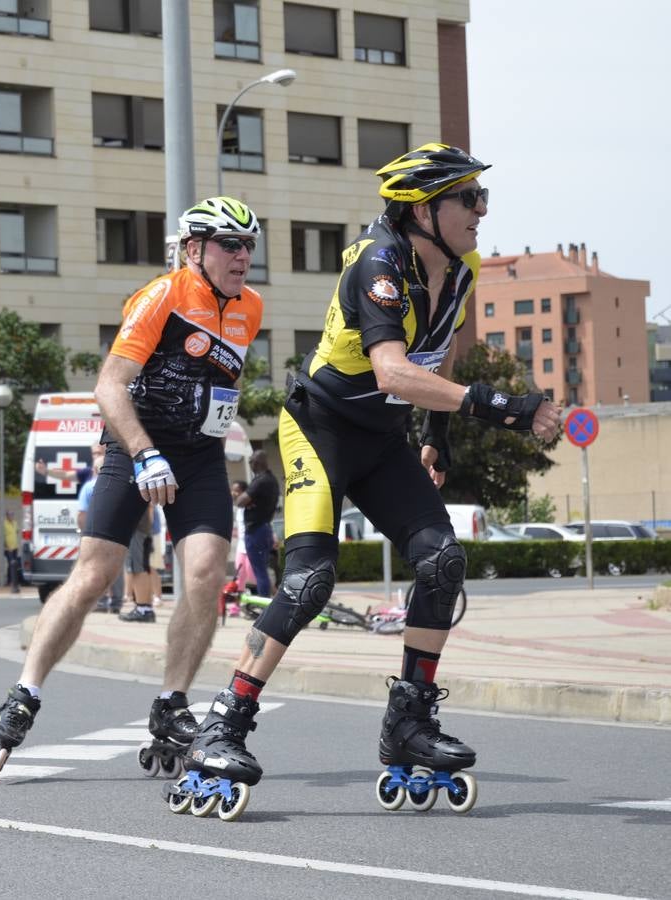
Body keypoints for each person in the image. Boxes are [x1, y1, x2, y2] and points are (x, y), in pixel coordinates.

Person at [180, 145, 562, 816]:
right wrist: (510, 409)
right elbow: (391, 371)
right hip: (320, 430)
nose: (482, 210)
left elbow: (433, 350)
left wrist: (435, 435)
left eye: (482, 197)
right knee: (309, 581)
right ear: (422, 209)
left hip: (384, 440)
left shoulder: (462, 267)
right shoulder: (377, 264)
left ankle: (409, 721)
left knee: (442, 561)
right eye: (468, 198)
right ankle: (223, 726)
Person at [0, 196, 266, 781]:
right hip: (136, 447)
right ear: (195, 249)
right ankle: (25, 690)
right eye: (229, 244)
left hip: (200, 457)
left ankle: (171, 702)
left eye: (249, 246)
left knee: (206, 573)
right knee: (93, 576)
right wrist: (142, 453)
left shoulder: (251, 308)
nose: (242, 256)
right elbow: (110, 387)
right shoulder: (162, 296)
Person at [74, 444, 123, 612]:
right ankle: (116, 603)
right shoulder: (118, 485)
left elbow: (82, 514)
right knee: (116, 568)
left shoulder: (88, 487)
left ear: (95, 470)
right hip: (118, 533)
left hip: (96, 533)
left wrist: (84, 533)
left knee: (95, 566)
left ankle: (101, 603)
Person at [235, 450, 279, 596]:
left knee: (259, 571)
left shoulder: (261, 481)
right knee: (262, 570)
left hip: (256, 530)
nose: (250, 465)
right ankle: (267, 603)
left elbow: (240, 502)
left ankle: (264, 605)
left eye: (250, 462)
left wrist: (247, 501)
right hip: (265, 528)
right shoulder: (272, 480)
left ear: (256, 462)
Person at [119, 503, 158, 622]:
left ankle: (143, 609)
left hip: (136, 528)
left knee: (137, 569)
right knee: (143, 568)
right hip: (142, 528)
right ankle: (145, 608)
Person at [2, 510, 22, 594]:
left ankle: (14, 581)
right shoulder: (4, 524)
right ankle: (10, 580)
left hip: (15, 547)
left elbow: (17, 532)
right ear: (7, 516)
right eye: (10, 515)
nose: (12, 516)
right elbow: (3, 535)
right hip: (8, 548)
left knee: (14, 564)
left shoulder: (15, 523)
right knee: (11, 564)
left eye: (12, 515)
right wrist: (6, 546)